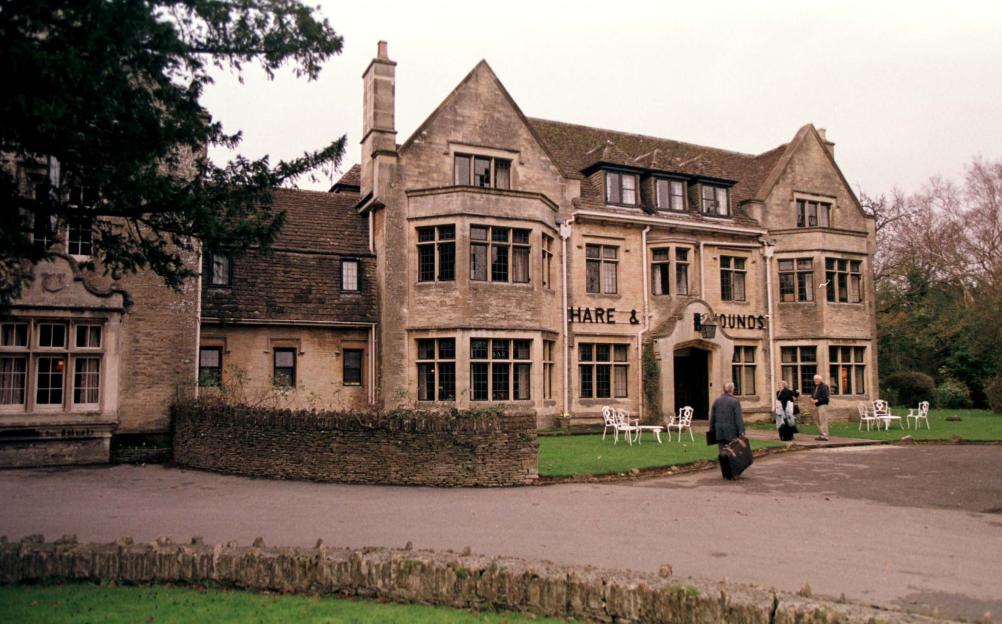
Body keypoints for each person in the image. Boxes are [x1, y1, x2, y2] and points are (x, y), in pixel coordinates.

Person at [709, 381, 745, 452]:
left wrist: (711, 430)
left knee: (722, 453)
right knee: (733, 453)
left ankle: (724, 463)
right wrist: (741, 431)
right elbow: (738, 418)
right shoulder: (735, 401)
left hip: (719, 432)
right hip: (732, 433)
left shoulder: (716, 401)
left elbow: (712, 418)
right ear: (732, 389)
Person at [811, 374, 830, 441]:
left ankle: (825, 435)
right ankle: (821, 434)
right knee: (817, 419)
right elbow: (813, 395)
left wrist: (818, 400)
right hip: (816, 405)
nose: (815, 381)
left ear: (820, 380)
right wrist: (812, 399)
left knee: (823, 420)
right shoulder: (815, 387)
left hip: (822, 405)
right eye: (814, 380)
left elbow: (825, 397)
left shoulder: (824, 387)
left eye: (816, 379)